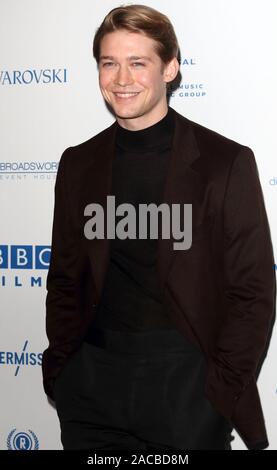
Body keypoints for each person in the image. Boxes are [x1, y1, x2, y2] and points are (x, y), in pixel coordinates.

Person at [42, 4, 276, 451]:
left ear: (170, 68)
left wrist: (218, 393)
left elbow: (253, 291)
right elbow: (65, 278)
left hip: (185, 388)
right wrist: (62, 372)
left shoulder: (223, 163)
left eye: (138, 62)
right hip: (91, 386)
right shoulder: (79, 163)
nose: (121, 79)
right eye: (109, 63)